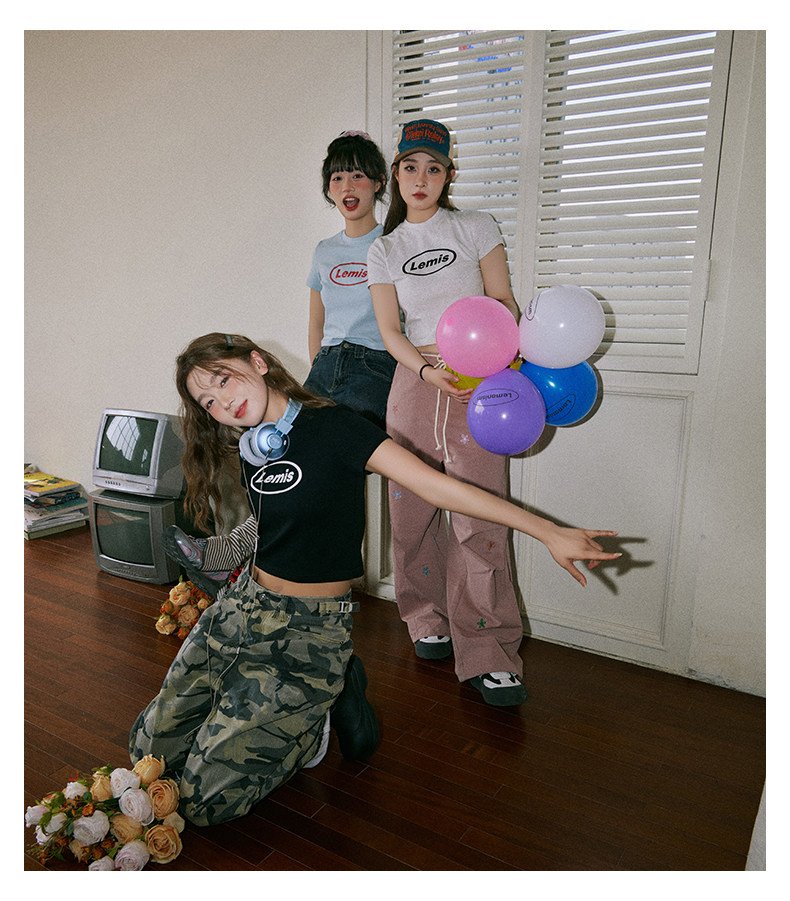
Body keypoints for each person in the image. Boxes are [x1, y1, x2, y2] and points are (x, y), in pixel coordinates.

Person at [131, 332, 620, 826]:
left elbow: (440, 488)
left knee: (203, 803)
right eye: (208, 402)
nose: (223, 403)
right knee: (147, 748)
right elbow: (275, 524)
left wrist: (548, 530)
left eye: (223, 380)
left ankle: (318, 720)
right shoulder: (256, 448)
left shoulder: (337, 427)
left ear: (257, 362)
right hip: (242, 607)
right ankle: (279, 703)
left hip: (307, 630)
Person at [164, 131, 396, 598]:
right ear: (328, 190)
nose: (347, 186)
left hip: (375, 365)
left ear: (377, 183)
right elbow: (317, 322)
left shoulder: (392, 244)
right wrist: (317, 369)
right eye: (337, 178)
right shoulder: (325, 251)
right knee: (269, 451)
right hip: (328, 365)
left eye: (357, 175)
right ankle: (235, 552)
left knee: (321, 460)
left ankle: (256, 559)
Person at [366, 118, 529, 706]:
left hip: (481, 376)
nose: (421, 179)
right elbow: (390, 330)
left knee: (479, 515)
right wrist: (426, 371)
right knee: (410, 513)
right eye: (410, 168)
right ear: (396, 175)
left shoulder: (475, 227)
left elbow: (503, 301)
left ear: (448, 176)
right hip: (416, 379)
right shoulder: (384, 249)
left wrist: (499, 365)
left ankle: (489, 650)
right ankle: (425, 617)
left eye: (433, 169)